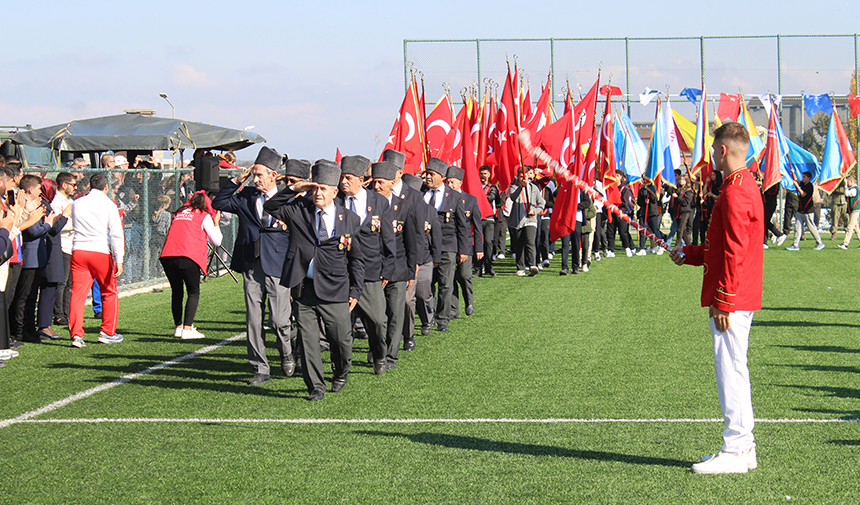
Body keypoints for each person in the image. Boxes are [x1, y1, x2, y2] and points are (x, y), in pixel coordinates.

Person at [670, 122, 763, 474]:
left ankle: (738, 448)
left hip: (734, 296)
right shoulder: (742, 185)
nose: (710, 155)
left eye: (713, 149)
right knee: (733, 368)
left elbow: (736, 250)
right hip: (738, 292)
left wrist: (724, 299)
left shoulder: (737, 190)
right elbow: (723, 245)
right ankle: (742, 447)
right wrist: (691, 254)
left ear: (723, 150)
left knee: (731, 370)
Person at [264, 160, 365, 401]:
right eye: (315, 188)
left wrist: (356, 290)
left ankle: (340, 372)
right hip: (304, 289)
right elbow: (271, 205)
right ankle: (316, 386)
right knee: (308, 342)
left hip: (336, 290)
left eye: (323, 189)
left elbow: (357, 258)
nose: (318, 193)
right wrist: (296, 188)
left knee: (340, 340)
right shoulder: (298, 209)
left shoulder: (349, 218)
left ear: (334, 192)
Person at [211, 147, 295, 385]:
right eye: (254, 174)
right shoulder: (246, 196)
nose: (255, 179)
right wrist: (236, 181)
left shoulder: (287, 198)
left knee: (279, 320)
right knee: (253, 318)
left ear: (273, 175)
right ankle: (260, 367)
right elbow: (220, 202)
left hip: (278, 264)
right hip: (251, 262)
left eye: (259, 175)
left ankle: (287, 351)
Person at [337, 155, 396, 376]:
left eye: (348, 178)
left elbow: (388, 238)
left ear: (361, 179)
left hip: (371, 272)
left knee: (378, 321)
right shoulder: (336, 200)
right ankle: (342, 363)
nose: (343, 182)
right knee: (342, 325)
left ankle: (379, 355)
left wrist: (387, 271)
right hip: (342, 272)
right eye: (342, 177)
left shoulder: (379, 201)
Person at [370, 159, 418, 370]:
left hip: (398, 269)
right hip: (373, 268)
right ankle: (376, 348)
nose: (377, 186)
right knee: (376, 315)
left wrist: (411, 271)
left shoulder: (404, 206)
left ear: (392, 182)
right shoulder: (367, 204)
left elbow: (411, 241)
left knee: (395, 313)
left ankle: (391, 355)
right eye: (374, 182)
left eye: (381, 182)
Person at [69, 172, 125, 347]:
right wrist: (119, 259)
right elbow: (116, 233)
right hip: (99, 251)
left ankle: (76, 335)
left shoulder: (77, 203)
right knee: (109, 291)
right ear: (106, 187)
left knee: (77, 294)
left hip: (78, 250)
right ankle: (107, 332)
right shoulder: (109, 205)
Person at [160, 191, 222, 339]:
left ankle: (178, 327)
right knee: (193, 291)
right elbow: (217, 241)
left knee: (177, 292)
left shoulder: (178, 213)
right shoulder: (203, 215)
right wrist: (216, 222)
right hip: (188, 255)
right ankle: (187, 329)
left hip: (168, 255)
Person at [423, 157, 469, 332]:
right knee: (427, 285)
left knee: (445, 284)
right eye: (426, 173)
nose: (427, 177)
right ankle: (429, 316)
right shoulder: (420, 193)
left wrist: (463, 250)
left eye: (431, 174)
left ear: (442, 177)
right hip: (426, 246)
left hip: (447, 246)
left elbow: (462, 226)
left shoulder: (455, 197)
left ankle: (442, 318)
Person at [33, 179, 72, 340]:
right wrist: (64, 215)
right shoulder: (44, 204)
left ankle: (45, 324)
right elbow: (52, 229)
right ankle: (44, 324)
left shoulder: (46, 203)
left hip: (54, 247)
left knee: (53, 286)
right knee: (50, 287)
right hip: (50, 247)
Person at [445, 166, 483, 318]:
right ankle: (454, 308)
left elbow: (477, 227)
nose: (450, 185)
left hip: (465, 245)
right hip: (449, 244)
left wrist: (478, 248)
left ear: (460, 183)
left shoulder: (470, 200)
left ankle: (469, 301)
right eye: (447, 182)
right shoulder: (444, 199)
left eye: (452, 182)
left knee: (465, 275)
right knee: (451, 276)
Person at [503, 166, 545, 276]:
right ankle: (521, 267)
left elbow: (542, 204)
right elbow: (512, 198)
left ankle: (532, 265)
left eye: (525, 177)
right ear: (518, 177)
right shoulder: (514, 187)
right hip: (516, 221)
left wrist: (534, 210)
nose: (523, 179)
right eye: (521, 177)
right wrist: (521, 187)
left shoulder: (534, 188)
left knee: (530, 241)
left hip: (530, 219)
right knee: (519, 245)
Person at [52, 172, 77, 327]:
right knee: (61, 282)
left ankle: (67, 312)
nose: (75, 187)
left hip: (71, 244)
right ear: (64, 185)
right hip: (62, 245)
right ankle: (59, 314)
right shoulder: (57, 201)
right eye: (73, 184)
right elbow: (58, 225)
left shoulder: (70, 200)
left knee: (69, 283)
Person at [785, 171, 825, 251]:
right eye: (802, 177)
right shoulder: (803, 184)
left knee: (812, 228)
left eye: (804, 177)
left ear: (809, 178)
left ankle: (820, 243)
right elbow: (797, 180)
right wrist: (793, 173)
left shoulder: (810, 186)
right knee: (797, 227)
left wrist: (797, 186)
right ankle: (795, 245)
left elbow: (803, 194)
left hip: (808, 211)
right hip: (800, 210)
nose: (802, 178)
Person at [478, 166, 498, 276]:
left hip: (489, 218)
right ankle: (478, 268)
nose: (483, 176)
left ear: (489, 174)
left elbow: (492, 197)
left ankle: (489, 266)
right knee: (477, 243)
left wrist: (480, 196)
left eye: (485, 173)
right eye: (481, 173)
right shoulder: (475, 187)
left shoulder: (492, 187)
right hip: (477, 218)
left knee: (489, 242)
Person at [837, 175, 860, 249]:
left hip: (855, 209)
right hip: (852, 209)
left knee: (850, 227)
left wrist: (846, 186)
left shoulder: (855, 188)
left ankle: (845, 243)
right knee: (856, 228)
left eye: (847, 182)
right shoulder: (852, 188)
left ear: (851, 181)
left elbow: (848, 194)